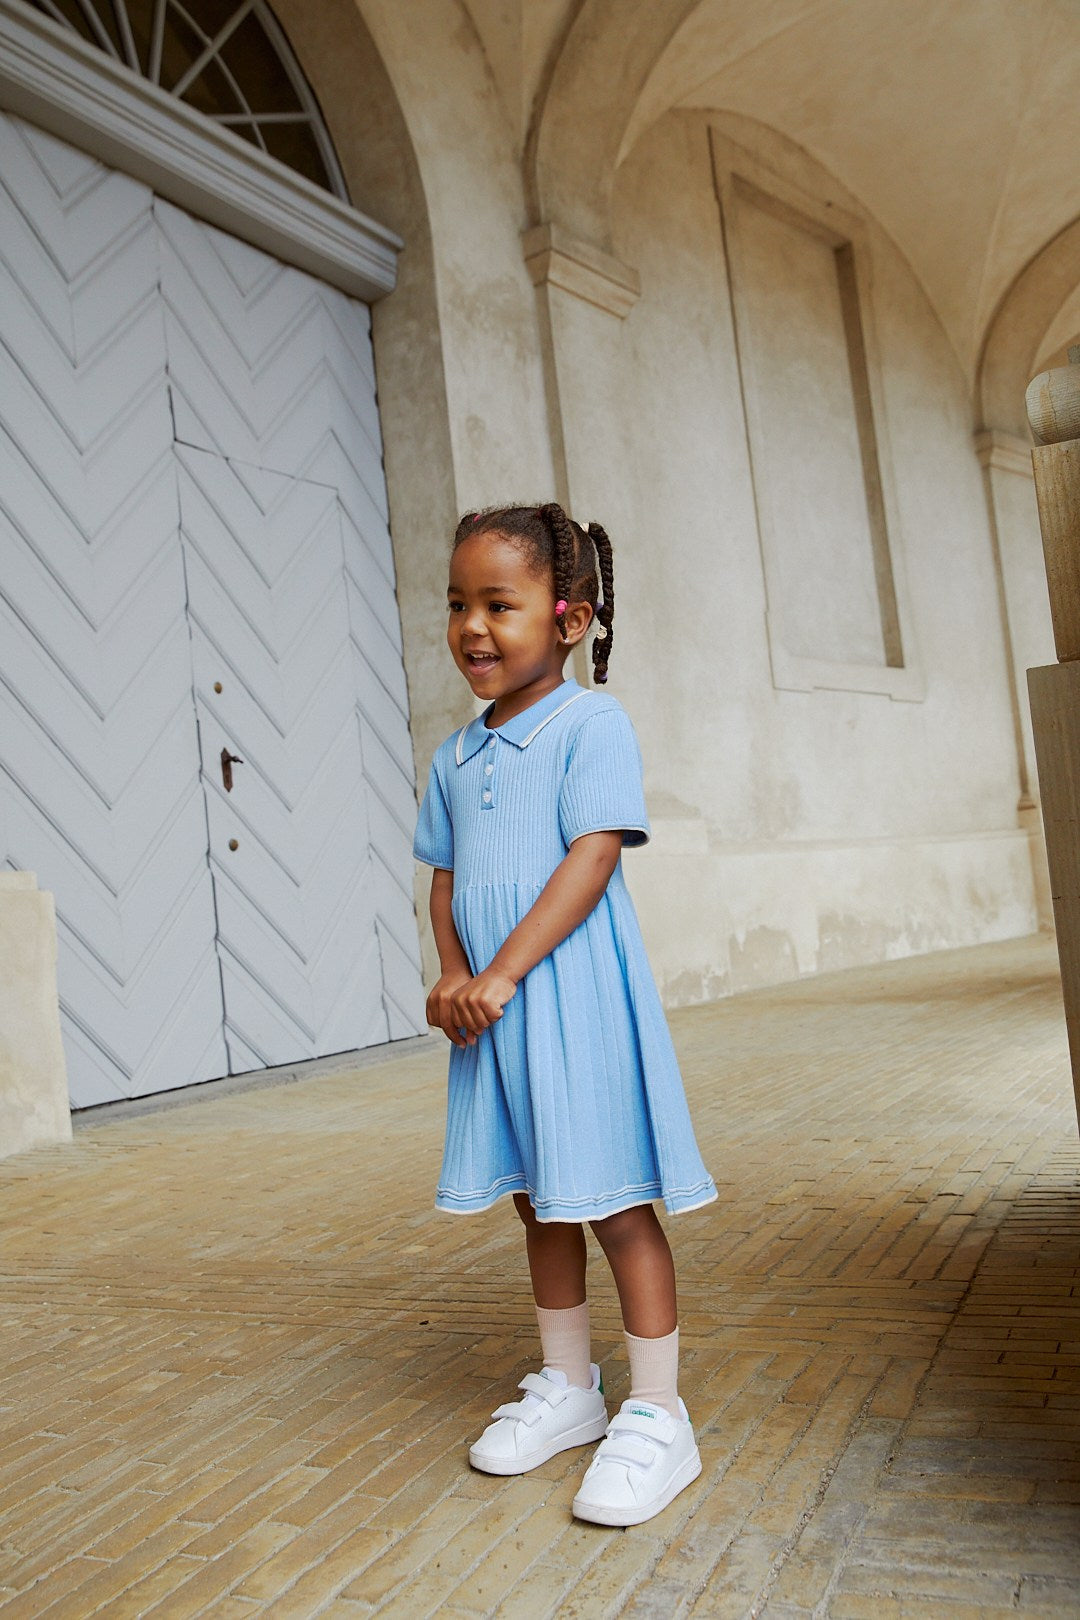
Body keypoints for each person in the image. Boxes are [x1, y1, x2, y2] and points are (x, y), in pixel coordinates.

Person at [413, 503, 717, 1527]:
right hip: (494, 1014)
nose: (472, 626)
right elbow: (445, 881)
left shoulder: (593, 724)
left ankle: (660, 1415)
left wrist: (499, 974)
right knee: (539, 1198)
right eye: (458, 604)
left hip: (570, 999)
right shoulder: (455, 756)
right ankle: (571, 1389)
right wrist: (456, 976)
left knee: (615, 1201)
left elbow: (589, 862)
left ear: (572, 617)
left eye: (500, 603)